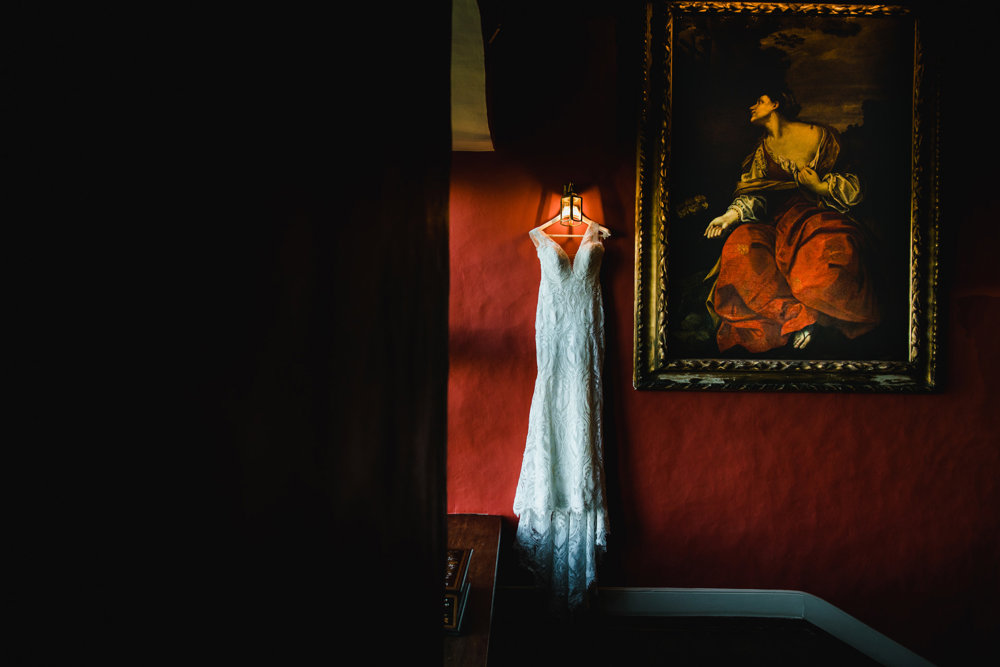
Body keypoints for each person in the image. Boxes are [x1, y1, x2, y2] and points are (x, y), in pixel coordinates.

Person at [703, 89, 879, 353]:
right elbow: (756, 196)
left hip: (815, 216)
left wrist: (820, 187)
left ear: (776, 103)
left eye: (759, 101)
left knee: (827, 250)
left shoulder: (821, 137)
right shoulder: (761, 154)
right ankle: (795, 317)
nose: (752, 107)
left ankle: (816, 317)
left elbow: (855, 183)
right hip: (775, 225)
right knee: (740, 246)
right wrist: (729, 216)